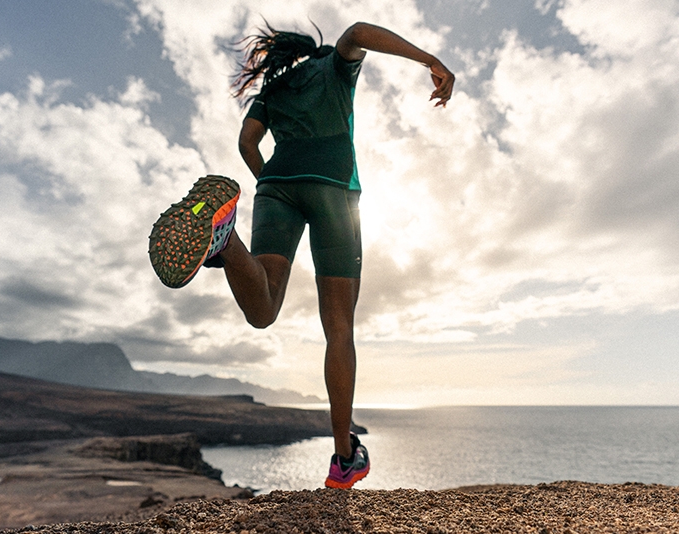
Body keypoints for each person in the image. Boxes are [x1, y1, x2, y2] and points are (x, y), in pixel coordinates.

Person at [149, 21, 453, 489]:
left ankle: (225, 240)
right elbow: (358, 31)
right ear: (325, 54)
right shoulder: (334, 66)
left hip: (275, 189)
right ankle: (343, 457)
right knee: (339, 329)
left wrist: (272, 181)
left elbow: (246, 143)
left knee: (264, 310)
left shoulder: (275, 86)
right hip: (334, 191)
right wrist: (429, 60)